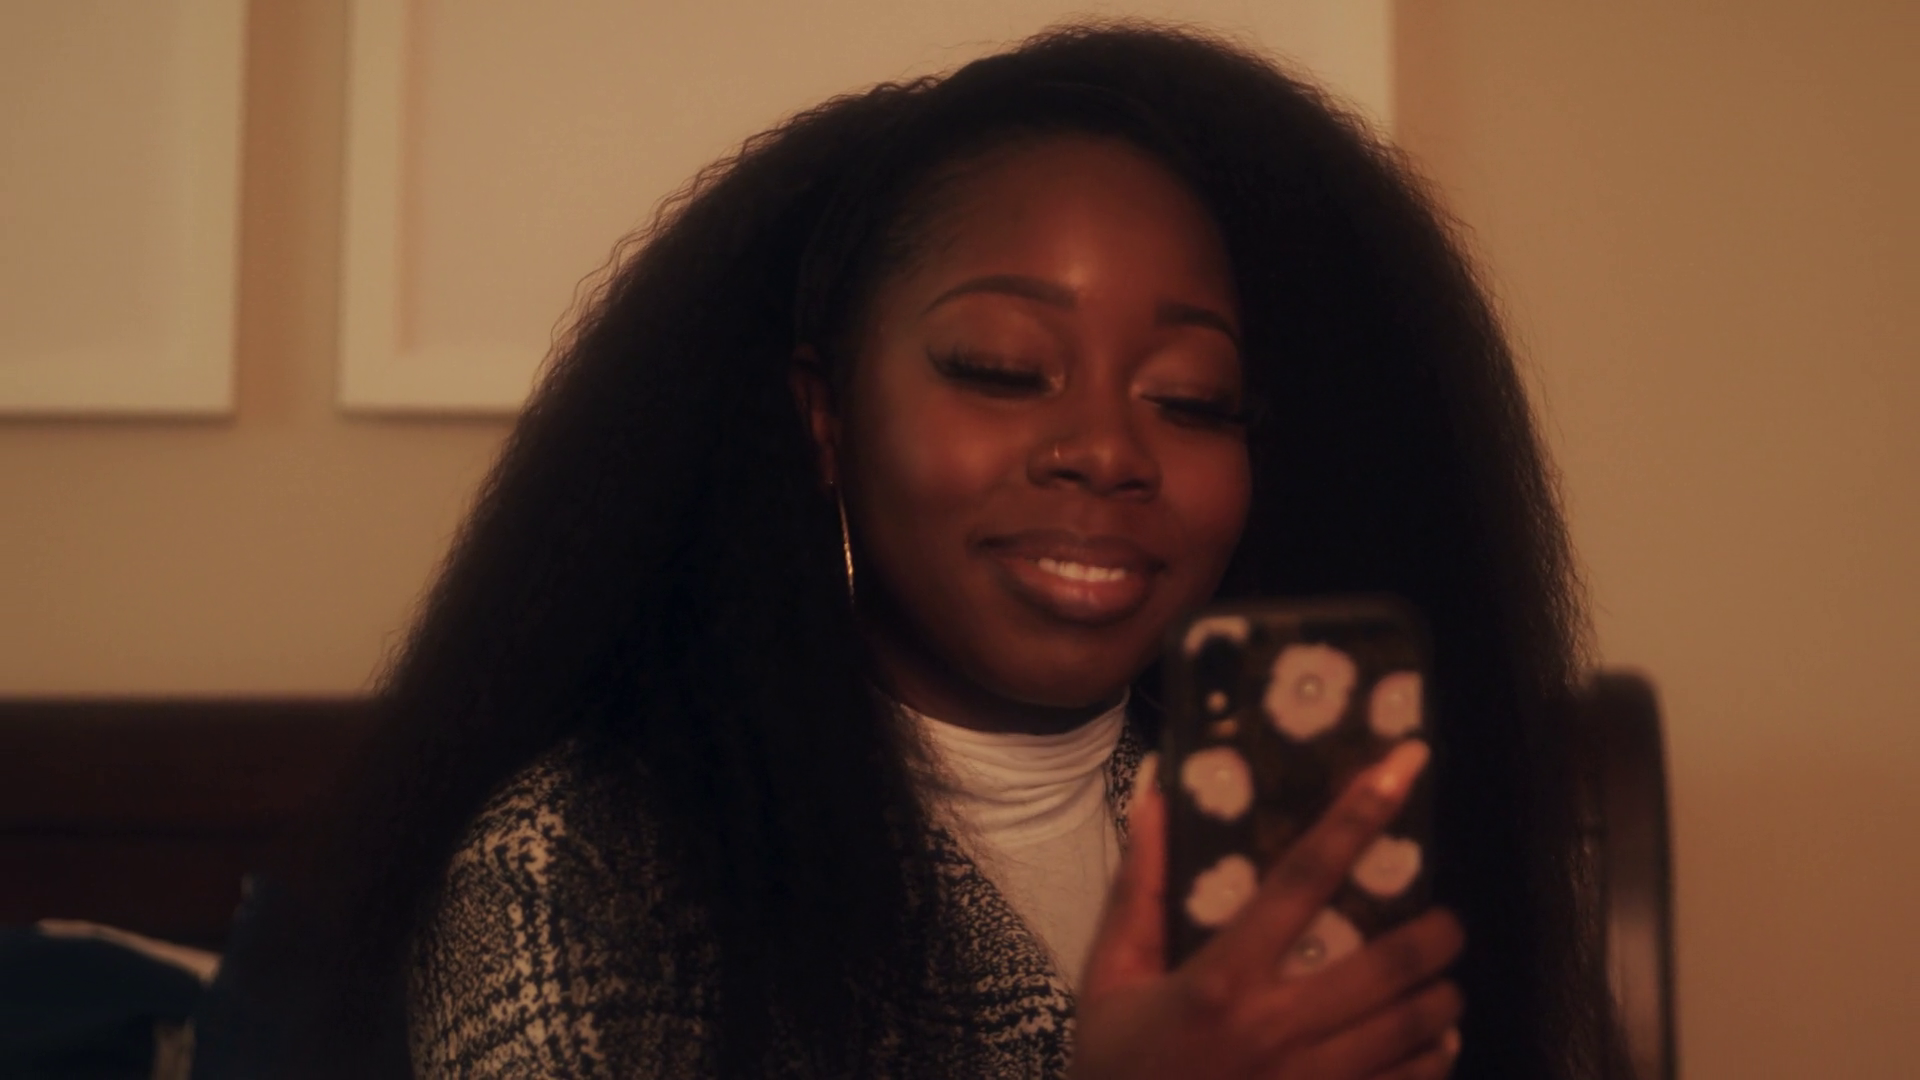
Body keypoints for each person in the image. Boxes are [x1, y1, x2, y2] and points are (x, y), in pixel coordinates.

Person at [221, 22, 1606, 1080]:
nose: (1106, 449)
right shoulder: (582, 868)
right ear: (826, 419)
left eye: (1191, 399)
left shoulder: (1295, 827)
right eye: (1002, 369)